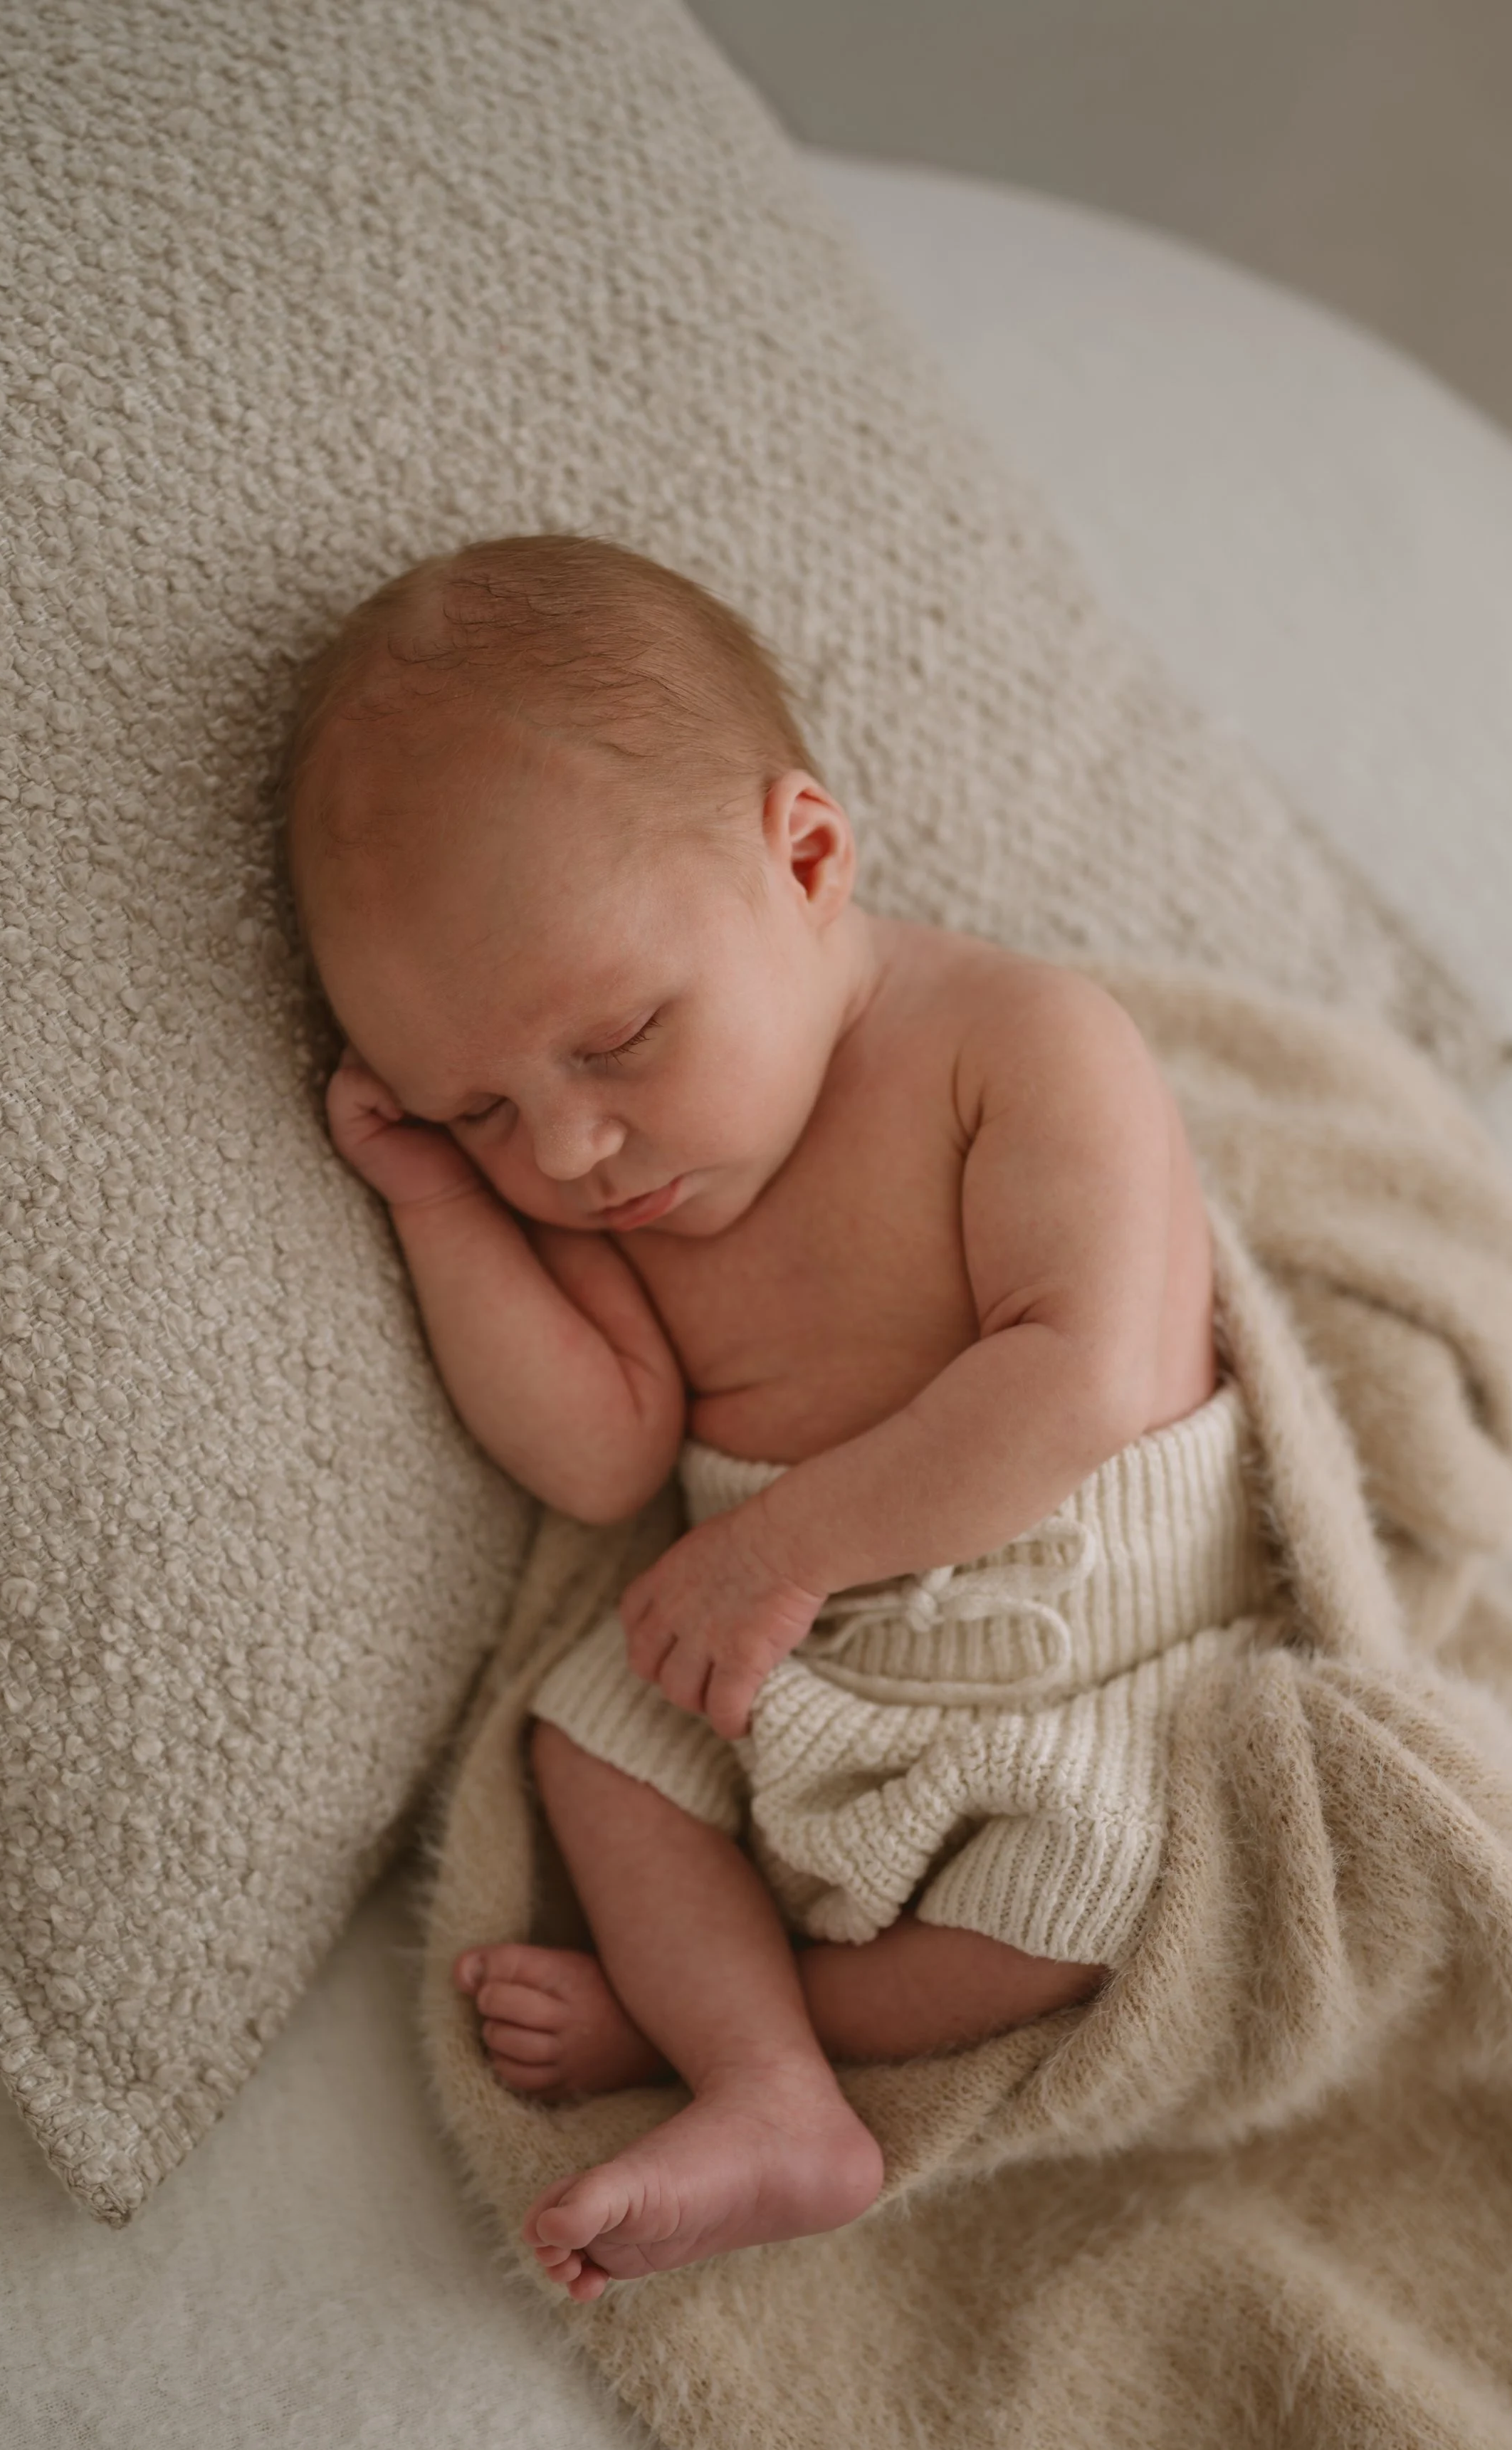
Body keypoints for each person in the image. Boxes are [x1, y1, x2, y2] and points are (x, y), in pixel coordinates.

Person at [283, 535, 1272, 2301]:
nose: (572, 1152)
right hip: (797, 1649)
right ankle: (766, 2090)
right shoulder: (597, 1192)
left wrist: (786, 1545)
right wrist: (438, 1208)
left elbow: (1084, 1373)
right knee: (593, 1744)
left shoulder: (1016, 1046)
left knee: (1102, 1867)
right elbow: (597, 1449)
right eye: (483, 1108)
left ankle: (738, 2029)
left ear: (802, 859)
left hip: (1077, 1617)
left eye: (617, 1041)